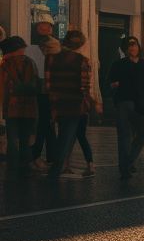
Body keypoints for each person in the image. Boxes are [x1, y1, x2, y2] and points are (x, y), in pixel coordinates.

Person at [46, 31, 95, 180]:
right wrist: (90, 102)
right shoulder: (83, 61)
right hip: (75, 104)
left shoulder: (52, 59)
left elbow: (48, 85)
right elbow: (84, 86)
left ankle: (59, 167)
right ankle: (56, 169)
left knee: (62, 135)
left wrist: (53, 103)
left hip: (59, 103)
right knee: (67, 138)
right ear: (81, 44)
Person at [109, 36, 144, 181]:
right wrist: (114, 86)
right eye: (129, 46)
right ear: (125, 48)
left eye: (134, 45)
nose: (132, 48)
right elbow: (111, 82)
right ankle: (125, 168)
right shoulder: (118, 64)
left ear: (139, 47)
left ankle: (128, 161)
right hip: (124, 103)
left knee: (142, 135)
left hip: (141, 105)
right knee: (125, 136)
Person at [2, 36, 40, 181]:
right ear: (19, 49)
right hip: (28, 107)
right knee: (25, 139)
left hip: (11, 107)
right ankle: (25, 168)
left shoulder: (4, 65)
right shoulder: (30, 63)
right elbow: (35, 84)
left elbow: (3, 89)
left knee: (12, 139)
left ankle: (13, 168)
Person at [25, 17, 57, 171]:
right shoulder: (31, 48)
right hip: (38, 88)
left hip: (50, 89)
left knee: (47, 123)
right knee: (44, 123)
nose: (45, 31)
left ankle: (49, 155)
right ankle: (40, 155)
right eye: (42, 28)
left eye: (47, 28)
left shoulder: (55, 47)